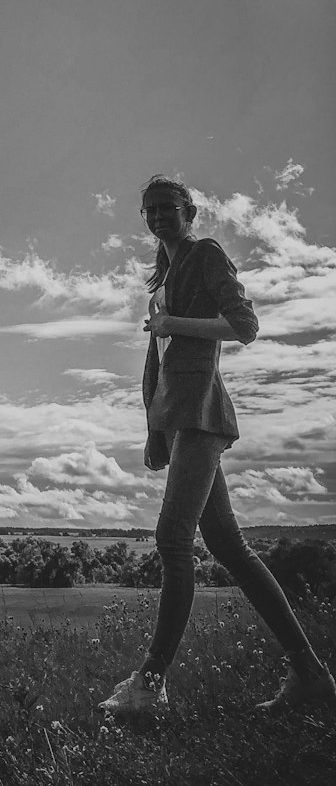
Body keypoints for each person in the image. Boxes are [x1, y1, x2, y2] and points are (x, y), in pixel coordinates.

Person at [99, 175, 335, 715]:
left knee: (172, 540)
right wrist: (154, 428)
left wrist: (170, 323)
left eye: (169, 207)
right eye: (150, 210)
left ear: (191, 210)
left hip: (202, 418)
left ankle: (149, 684)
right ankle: (313, 679)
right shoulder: (163, 276)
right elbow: (160, 362)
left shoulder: (205, 254)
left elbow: (244, 325)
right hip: (179, 420)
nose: (160, 216)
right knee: (229, 547)